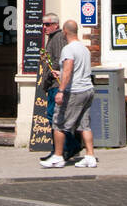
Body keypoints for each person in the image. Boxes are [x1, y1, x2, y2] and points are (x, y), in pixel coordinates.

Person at [40, 19, 97, 169]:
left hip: (75, 91)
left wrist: (60, 91)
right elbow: (77, 70)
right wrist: (60, 72)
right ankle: (90, 156)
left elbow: (69, 69)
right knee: (85, 125)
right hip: (88, 89)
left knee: (58, 122)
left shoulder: (68, 49)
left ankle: (58, 157)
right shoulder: (84, 49)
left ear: (65, 32)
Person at [39, 13, 81, 163]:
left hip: (56, 83)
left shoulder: (57, 38)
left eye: (48, 24)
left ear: (56, 25)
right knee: (55, 118)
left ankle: (68, 146)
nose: (45, 27)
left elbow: (58, 60)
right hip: (52, 84)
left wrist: (50, 72)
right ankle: (63, 148)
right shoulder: (52, 38)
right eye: (43, 25)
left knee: (54, 117)